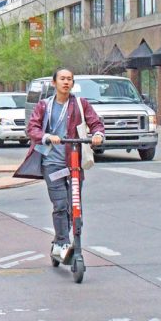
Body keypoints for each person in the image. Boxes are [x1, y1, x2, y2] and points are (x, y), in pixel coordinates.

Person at [26, 68, 105, 262]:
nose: (66, 82)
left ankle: (67, 240)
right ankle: (62, 242)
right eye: (62, 79)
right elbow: (32, 128)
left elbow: (96, 123)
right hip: (52, 163)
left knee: (74, 205)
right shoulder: (44, 105)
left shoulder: (80, 103)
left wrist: (97, 135)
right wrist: (46, 136)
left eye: (69, 79)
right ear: (54, 83)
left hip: (74, 163)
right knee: (60, 204)